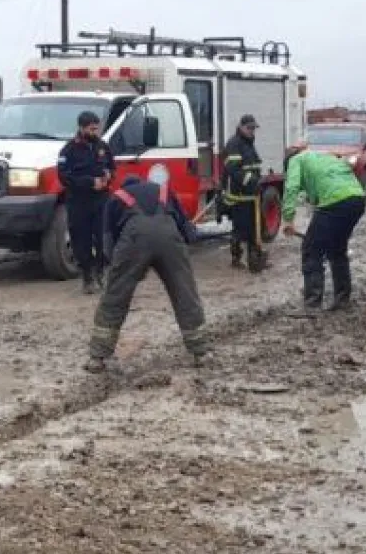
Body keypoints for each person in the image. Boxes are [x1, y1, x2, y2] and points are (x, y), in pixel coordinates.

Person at [86, 175, 206, 373]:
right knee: (184, 292)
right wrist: (185, 244)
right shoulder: (164, 191)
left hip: (134, 239)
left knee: (115, 296)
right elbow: (187, 229)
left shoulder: (116, 198)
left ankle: (97, 357)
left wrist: (121, 268)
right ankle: (201, 352)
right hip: (169, 236)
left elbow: (108, 241)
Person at [282, 141, 366, 315]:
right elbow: (325, 185)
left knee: (311, 250)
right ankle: (342, 300)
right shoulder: (324, 156)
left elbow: (291, 189)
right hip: (357, 199)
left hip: (334, 202)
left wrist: (288, 219)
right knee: (337, 249)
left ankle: (312, 305)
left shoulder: (296, 160)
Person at [57, 111, 115, 293]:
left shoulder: (103, 147)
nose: (95, 132)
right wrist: (90, 183)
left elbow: (112, 166)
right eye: (92, 129)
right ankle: (87, 277)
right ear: (81, 128)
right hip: (79, 202)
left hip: (101, 202)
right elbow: (64, 177)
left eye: (97, 128)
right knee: (80, 241)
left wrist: (109, 176)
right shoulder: (68, 150)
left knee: (103, 239)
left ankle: (100, 273)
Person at [219, 114, 266, 273]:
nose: (252, 131)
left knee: (255, 228)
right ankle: (236, 259)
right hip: (238, 196)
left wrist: (258, 181)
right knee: (240, 230)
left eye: (254, 128)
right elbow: (233, 170)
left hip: (251, 195)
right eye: (249, 128)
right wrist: (252, 181)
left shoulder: (249, 143)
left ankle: (254, 258)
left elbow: (252, 165)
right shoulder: (234, 144)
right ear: (241, 127)